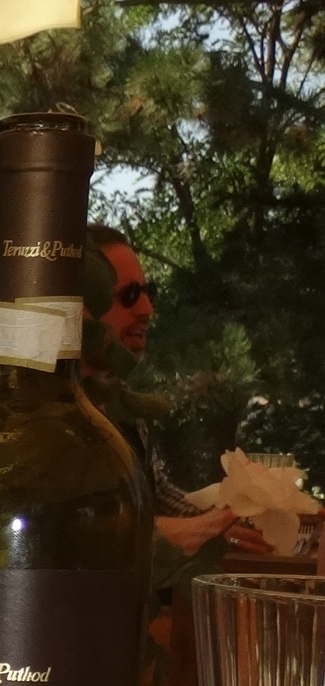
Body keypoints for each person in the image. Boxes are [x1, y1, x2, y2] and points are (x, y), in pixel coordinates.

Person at [84, 225, 270, 556]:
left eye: (147, 292)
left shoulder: (123, 407)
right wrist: (173, 533)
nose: (147, 310)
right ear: (77, 307)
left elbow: (165, 502)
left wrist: (249, 515)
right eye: (129, 295)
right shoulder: (36, 416)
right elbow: (69, 532)